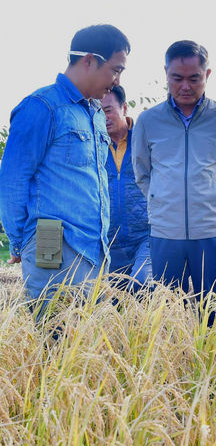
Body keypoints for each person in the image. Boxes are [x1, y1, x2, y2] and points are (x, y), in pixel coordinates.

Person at [0, 24, 130, 305]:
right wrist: (21, 241)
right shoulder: (41, 107)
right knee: (54, 337)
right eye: (115, 69)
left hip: (94, 247)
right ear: (89, 60)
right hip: (52, 246)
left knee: (85, 342)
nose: (117, 81)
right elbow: (12, 179)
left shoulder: (95, 113)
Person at [132, 40, 216, 324]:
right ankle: (173, 364)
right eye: (177, 78)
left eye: (194, 78)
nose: (185, 86)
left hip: (210, 231)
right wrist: (161, 199)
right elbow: (142, 172)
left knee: (212, 309)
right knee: (168, 311)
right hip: (165, 232)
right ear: (166, 74)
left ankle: (213, 365)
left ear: (207, 75)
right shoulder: (148, 121)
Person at [101, 85, 151, 293]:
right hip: (109, 242)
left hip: (146, 237)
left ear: (124, 108)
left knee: (141, 286)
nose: (104, 118)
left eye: (108, 110)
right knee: (113, 305)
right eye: (98, 112)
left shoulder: (146, 140)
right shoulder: (93, 145)